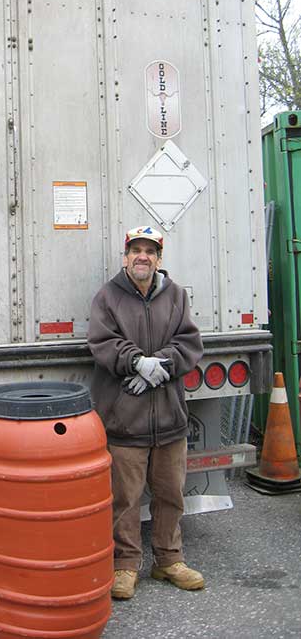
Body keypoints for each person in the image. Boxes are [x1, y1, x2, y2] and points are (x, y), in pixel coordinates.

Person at [88, 225, 204, 599]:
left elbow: (188, 343)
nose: (143, 256)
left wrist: (160, 367)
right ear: (125, 256)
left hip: (170, 418)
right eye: (136, 249)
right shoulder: (108, 296)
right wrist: (136, 362)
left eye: (150, 251)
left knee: (171, 494)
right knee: (125, 499)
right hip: (125, 420)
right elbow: (102, 342)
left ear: (158, 259)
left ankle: (169, 560)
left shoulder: (176, 296)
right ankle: (125, 565)